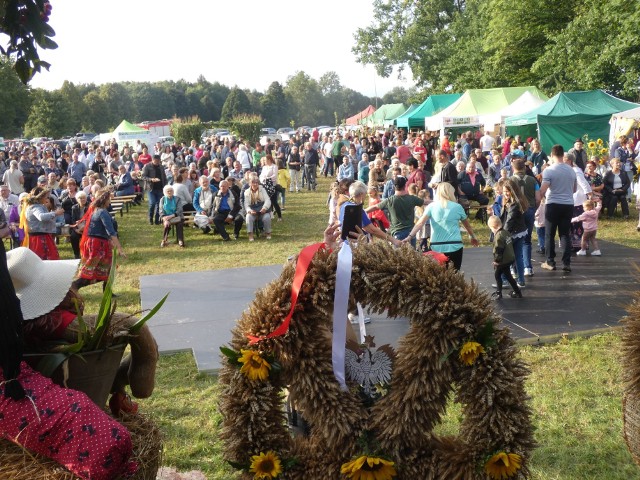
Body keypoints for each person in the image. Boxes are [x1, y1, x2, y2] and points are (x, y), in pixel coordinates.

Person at [404, 182, 479, 270]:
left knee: (439, 276)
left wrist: (410, 236)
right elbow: (467, 226)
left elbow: (420, 223)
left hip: (437, 246)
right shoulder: (457, 207)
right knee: (455, 276)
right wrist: (472, 236)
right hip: (455, 245)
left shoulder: (431, 206)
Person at [539, 145, 577, 273]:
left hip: (553, 203)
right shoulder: (571, 170)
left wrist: (537, 194)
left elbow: (544, 189)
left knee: (550, 234)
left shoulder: (549, 170)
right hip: (568, 204)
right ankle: (566, 263)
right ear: (563, 154)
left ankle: (550, 261)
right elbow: (574, 189)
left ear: (552, 154)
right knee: (565, 234)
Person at [366, 176, 424, 246]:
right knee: (412, 256)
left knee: (398, 256)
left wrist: (362, 211)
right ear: (405, 186)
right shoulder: (412, 198)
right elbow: (425, 202)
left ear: (394, 186)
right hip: (411, 233)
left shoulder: (390, 200)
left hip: (397, 234)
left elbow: (375, 207)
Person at [511, 158, 540, 276]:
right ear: (524, 168)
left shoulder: (510, 180)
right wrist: (534, 209)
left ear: (513, 168)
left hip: (516, 212)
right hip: (529, 210)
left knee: (513, 240)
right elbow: (538, 198)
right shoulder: (533, 180)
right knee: (527, 240)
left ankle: (514, 268)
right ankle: (528, 267)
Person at [488, 215, 522, 299]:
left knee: (497, 274)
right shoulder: (505, 232)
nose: (491, 231)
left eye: (491, 229)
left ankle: (499, 293)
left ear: (493, 227)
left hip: (503, 260)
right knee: (508, 276)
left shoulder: (498, 236)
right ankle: (517, 292)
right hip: (510, 258)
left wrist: (496, 261)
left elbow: (498, 250)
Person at [24, 187, 64, 260]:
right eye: (46, 197)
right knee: (42, 259)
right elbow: (41, 217)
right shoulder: (35, 207)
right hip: (38, 238)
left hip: (42, 235)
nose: (47, 199)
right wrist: (55, 213)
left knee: (48, 259)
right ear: (41, 197)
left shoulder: (37, 206)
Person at [141, 154, 168, 225]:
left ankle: (157, 219)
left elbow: (164, 177)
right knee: (152, 203)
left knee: (159, 204)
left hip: (160, 188)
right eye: (155, 161)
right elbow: (143, 176)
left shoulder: (161, 167)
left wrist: (165, 186)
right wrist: (151, 179)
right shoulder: (147, 166)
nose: (156, 162)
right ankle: (150, 218)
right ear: (152, 160)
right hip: (151, 188)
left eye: (158, 161)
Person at [244, 177, 272, 241]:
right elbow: (246, 204)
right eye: (253, 182)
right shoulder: (246, 192)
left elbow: (268, 200)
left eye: (256, 183)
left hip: (262, 210)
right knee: (248, 217)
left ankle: (268, 233)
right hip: (253, 210)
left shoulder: (263, 190)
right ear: (250, 184)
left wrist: (264, 208)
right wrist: (250, 211)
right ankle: (250, 235)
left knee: (266, 217)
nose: (255, 184)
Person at [69, 191, 88, 259]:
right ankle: (76, 254)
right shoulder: (74, 208)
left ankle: (87, 254)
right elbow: (73, 220)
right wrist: (76, 229)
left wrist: (84, 227)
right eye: (80, 198)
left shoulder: (89, 207)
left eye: (84, 198)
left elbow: (91, 219)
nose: (82, 199)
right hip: (78, 227)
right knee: (73, 236)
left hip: (87, 227)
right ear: (77, 199)